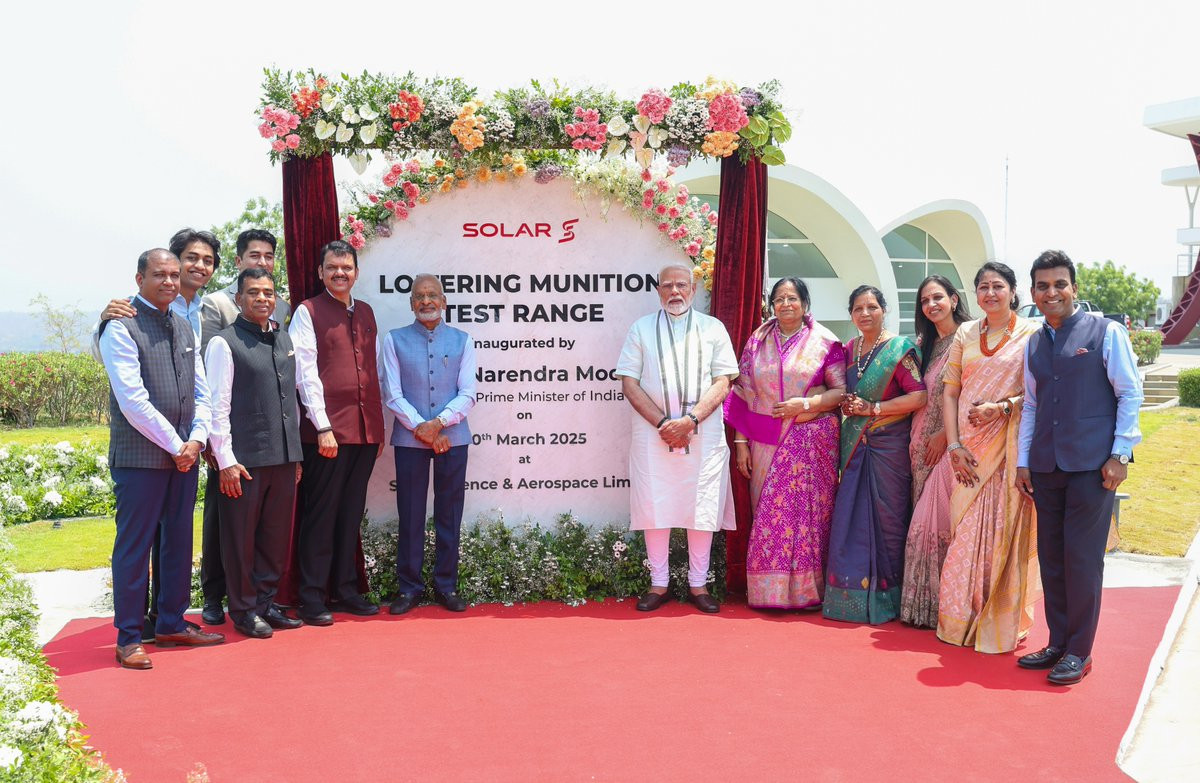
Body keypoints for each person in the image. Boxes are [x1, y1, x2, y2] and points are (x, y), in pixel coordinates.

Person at [1015, 250, 1142, 685]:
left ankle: (1080, 651)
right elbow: (1032, 405)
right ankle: (1058, 642)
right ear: (1033, 292)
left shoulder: (1106, 332)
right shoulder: (1034, 343)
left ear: (1074, 288)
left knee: (1082, 560)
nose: (1051, 293)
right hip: (1046, 466)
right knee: (1052, 558)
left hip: (1093, 466)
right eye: (1042, 286)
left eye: (1059, 284)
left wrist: (1120, 454)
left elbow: (1130, 393)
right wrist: (1024, 461)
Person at [99, 248, 224, 669]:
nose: (169, 281)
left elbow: (201, 389)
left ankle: (171, 622)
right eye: (160, 275)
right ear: (140, 279)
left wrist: (198, 437)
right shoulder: (121, 326)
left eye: (174, 274)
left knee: (178, 543)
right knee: (134, 547)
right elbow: (132, 400)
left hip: (184, 455)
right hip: (141, 458)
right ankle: (129, 637)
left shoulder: (185, 325)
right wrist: (177, 445)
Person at [615, 263, 738, 614]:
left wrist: (690, 420)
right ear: (657, 290)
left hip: (704, 433)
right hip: (652, 434)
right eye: (667, 285)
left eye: (681, 285)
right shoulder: (641, 329)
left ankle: (699, 584)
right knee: (654, 505)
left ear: (693, 289)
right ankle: (659, 583)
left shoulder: (713, 328)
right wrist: (664, 424)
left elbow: (723, 382)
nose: (674, 291)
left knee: (702, 505)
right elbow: (629, 383)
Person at [936, 261, 1039, 653]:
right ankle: (958, 620)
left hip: (1008, 448)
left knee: (1001, 533)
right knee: (963, 537)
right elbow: (950, 391)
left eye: (998, 286)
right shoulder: (965, 332)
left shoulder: (1031, 334)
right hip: (968, 451)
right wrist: (954, 446)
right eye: (983, 287)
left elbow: (1040, 392)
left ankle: (996, 622)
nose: (990, 293)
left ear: (1013, 291)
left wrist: (1003, 407)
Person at [725, 277, 845, 609]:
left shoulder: (825, 342)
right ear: (771, 305)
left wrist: (804, 405)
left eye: (793, 298)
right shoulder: (757, 342)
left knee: (806, 518)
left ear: (805, 304)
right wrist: (740, 443)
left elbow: (840, 392)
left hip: (810, 441)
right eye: (779, 299)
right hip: (763, 440)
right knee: (770, 515)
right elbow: (742, 393)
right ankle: (769, 592)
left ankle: (807, 591)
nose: (786, 304)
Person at [195, 229, 292, 626]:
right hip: (242, 458)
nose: (262, 299)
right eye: (253, 293)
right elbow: (217, 405)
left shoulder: (282, 336)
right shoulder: (224, 340)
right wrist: (225, 458)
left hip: (282, 457)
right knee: (237, 539)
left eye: (268, 293)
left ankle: (265, 603)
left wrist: (294, 455)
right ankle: (241, 608)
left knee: (273, 538)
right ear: (239, 298)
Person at [289, 239, 384, 625]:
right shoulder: (308, 311)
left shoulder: (366, 311)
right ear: (320, 272)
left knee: (349, 514)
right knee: (321, 514)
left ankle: (345, 590)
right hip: (327, 433)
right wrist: (322, 425)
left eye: (346, 267)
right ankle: (312, 596)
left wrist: (375, 428)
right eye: (332, 267)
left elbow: (374, 369)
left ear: (356, 273)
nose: (339, 273)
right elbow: (304, 373)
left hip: (365, 432)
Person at [823, 285, 927, 625]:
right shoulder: (848, 349)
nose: (865, 313)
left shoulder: (898, 350)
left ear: (884, 310)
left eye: (872, 307)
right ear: (851, 314)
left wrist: (873, 408)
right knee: (850, 518)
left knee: (888, 522)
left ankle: (889, 599)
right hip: (856, 446)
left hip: (889, 447)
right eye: (858, 308)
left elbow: (919, 397)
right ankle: (848, 598)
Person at [381, 274, 477, 614]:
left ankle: (446, 586)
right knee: (411, 514)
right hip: (410, 440)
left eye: (432, 295)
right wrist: (422, 428)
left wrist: (439, 424)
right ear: (411, 304)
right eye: (419, 296)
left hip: (453, 438)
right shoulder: (393, 340)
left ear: (444, 301)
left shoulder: (463, 340)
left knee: (449, 514)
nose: (426, 301)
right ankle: (409, 589)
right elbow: (392, 393)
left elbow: (468, 392)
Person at [899, 275, 970, 627]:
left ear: (954, 299)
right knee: (924, 518)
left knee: (932, 524)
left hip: (951, 446)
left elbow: (972, 390)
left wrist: (946, 434)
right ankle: (923, 609)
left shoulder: (969, 338)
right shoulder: (924, 345)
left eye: (938, 297)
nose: (932, 305)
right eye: (925, 301)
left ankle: (943, 609)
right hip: (918, 444)